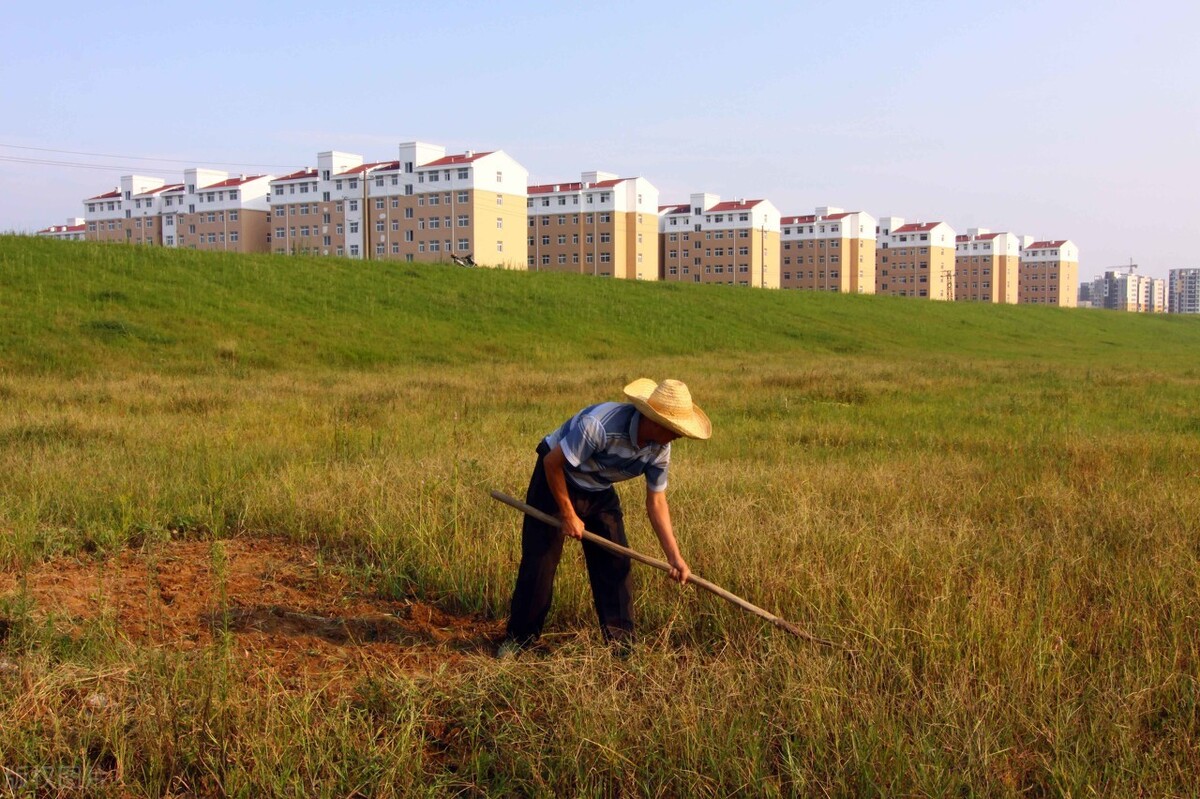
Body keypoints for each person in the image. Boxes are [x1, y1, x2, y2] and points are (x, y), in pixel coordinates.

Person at [499, 378, 711, 657]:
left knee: (615, 561)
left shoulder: (660, 448)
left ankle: (622, 646)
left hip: (598, 488)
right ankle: (519, 640)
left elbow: (657, 501)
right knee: (542, 560)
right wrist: (568, 514)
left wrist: (674, 556)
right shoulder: (599, 425)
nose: (680, 436)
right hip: (558, 477)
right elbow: (552, 462)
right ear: (655, 421)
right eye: (676, 429)